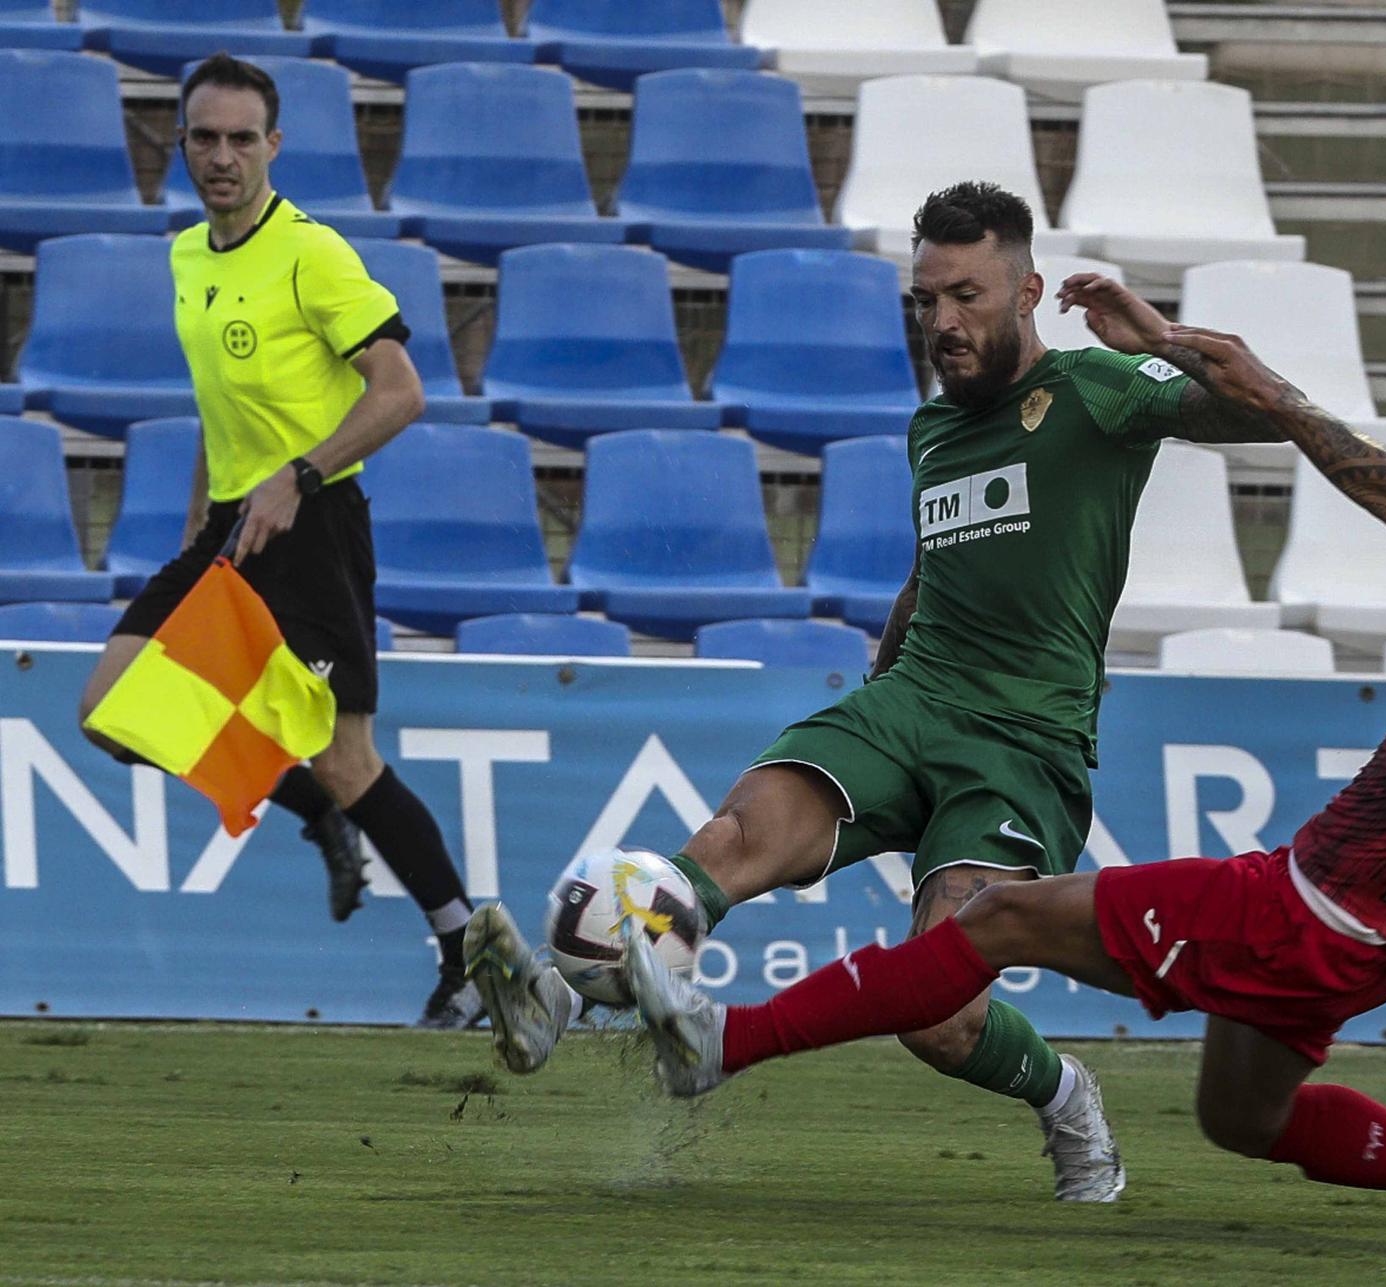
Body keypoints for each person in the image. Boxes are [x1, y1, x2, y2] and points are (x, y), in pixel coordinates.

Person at [620, 292, 1386, 1228]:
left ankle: (723, 1048)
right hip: (1348, 943)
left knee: (993, 922)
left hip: (1306, 909)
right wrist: (1264, 390)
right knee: (1242, 1122)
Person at [464, 182, 1290, 1202]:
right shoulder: (931, 433)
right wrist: (876, 686)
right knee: (732, 837)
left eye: (966, 297)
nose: (940, 323)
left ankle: (1066, 1095)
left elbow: (1266, 411)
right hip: (907, 704)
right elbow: (928, 570)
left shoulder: (1096, 392)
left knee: (933, 1006)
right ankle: (559, 995)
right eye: (924, 300)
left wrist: (1158, 336)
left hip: (1023, 743)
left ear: (1028, 291)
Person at [76, 53, 482, 1028]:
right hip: (230, 526)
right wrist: (198, 532)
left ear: (273, 147)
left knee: (348, 755)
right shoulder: (186, 257)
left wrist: (296, 478)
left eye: (241, 139)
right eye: (205, 138)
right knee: (111, 709)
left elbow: (402, 393)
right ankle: (315, 816)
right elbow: (220, 413)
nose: (222, 156)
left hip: (315, 523)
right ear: (181, 144)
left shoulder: (312, 254)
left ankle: (465, 954)